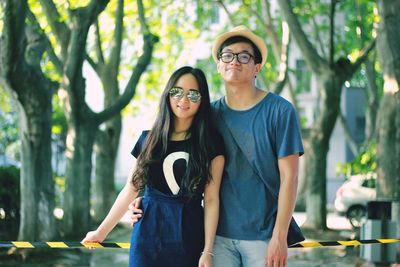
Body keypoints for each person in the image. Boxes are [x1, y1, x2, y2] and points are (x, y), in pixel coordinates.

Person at [130, 25, 304, 267]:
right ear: (219, 65)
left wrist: (280, 236)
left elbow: (290, 177)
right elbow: (168, 152)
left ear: (257, 67)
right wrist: (146, 199)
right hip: (216, 238)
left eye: (244, 56)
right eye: (228, 55)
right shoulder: (206, 116)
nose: (235, 61)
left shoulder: (280, 111)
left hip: (264, 237)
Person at [82, 66, 225, 267]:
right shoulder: (148, 140)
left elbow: (211, 199)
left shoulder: (211, 143)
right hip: (147, 235)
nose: (184, 100)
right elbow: (131, 188)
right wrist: (101, 232)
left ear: (202, 100)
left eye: (193, 94)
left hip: (189, 235)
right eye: (177, 92)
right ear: (168, 94)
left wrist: (208, 250)